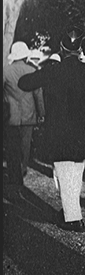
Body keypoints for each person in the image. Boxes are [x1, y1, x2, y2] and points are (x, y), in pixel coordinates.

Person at [18, 30, 85, 232]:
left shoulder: (53, 70)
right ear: (80, 50)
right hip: (83, 131)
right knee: (75, 174)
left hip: (59, 131)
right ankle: (70, 210)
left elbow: (25, 83)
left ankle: (73, 219)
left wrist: (42, 67)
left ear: (61, 49)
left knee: (64, 174)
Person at [3, 41, 45, 189]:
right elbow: (38, 95)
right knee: (25, 145)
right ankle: (23, 169)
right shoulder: (32, 71)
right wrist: (42, 113)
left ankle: (14, 174)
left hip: (11, 115)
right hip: (29, 114)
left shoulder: (5, 71)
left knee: (12, 146)